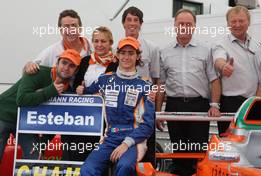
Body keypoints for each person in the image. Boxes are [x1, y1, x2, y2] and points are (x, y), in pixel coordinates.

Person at [156, 9, 221, 175]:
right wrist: (158, 112)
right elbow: (161, 84)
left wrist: (214, 105)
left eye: (188, 24)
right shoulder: (164, 51)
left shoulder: (206, 50)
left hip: (198, 106)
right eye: (181, 24)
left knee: (197, 153)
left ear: (194, 27)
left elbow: (214, 80)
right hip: (174, 106)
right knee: (179, 152)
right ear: (175, 26)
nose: (184, 27)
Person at [78, 37, 155, 176]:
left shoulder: (145, 86)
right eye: (123, 52)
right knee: (87, 170)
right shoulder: (105, 80)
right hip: (110, 137)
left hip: (134, 138)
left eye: (131, 53)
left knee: (124, 167)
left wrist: (126, 143)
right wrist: (80, 89)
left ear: (137, 56)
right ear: (117, 55)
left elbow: (148, 125)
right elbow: (87, 90)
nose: (126, 57)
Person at [0, 49, 81, 162]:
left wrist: (41, 145)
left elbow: (54, 120)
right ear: (57, 63)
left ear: (76, 71)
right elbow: (22, 100)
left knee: (35, 157)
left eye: (72, 66)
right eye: (64, 63)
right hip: (4, 114)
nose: (66, 68)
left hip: (25, 124)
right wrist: (51, 90)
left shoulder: (67, 90)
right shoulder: (37, 71)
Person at [62, 26, 118, 161]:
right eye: (96, 41)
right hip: (82, 116)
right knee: (75, 152)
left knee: (96, 156)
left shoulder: (116, 63)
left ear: (110, 43)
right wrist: (78, 88)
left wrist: (97, 93)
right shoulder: (85, 61)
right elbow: (76, 83)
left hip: (103, 118)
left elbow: (114, 88)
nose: (99, 45)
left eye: (103, 41)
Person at [212, 6, 261, 136]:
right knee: (229, 144)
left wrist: (257, 99)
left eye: (241, 21)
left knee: (252, 142)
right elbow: (218, 59)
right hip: (230, 103)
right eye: (233, 21)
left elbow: (260, 79)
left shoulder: (257, 46)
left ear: (249, 22)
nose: (237, 25)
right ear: (227, 23)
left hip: (253, 103)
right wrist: (224, 66)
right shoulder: (221, 44)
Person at [121, 6, 160, 165]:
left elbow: (157, 81)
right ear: (123, 23)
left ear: (141, 24)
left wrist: (156, 111)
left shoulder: (152, 48)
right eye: (129, 19)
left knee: (146, 155)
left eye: (136, 20)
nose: (132, 23)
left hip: (144, 109)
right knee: (121, 151)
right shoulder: (116, 46)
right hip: (120, 110)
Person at [24, 9, 90, 74]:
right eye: (66, 26)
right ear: (60, 30)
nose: (71, 30)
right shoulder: (52, 52)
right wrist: (28, 66)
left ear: (80, 29)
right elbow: (30, 68)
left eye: (74, 26)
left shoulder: (94, 46)